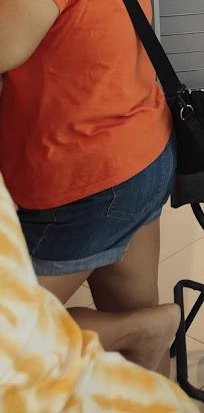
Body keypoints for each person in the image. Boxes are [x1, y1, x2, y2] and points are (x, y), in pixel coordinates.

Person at [0, 0, 177, 373]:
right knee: (138, 357)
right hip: (141, 155)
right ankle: (144, 340)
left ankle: (142, 327)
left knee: (12, 332)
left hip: (84, 174)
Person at [0, 167, 194, 409]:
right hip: (139, 162)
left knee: (14, 336)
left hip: (84, 172)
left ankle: (135, 330)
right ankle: (140, 332)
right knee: (140, 316)